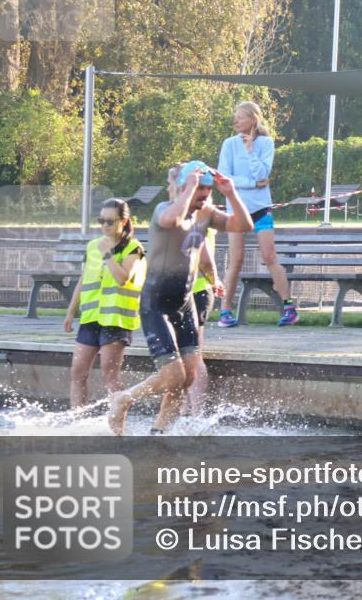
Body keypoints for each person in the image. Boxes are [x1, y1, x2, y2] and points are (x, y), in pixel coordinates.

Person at [107, 161, 253, 435]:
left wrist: (231, 193)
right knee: (173, 375)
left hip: (185, 303)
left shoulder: (206, 213)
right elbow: (171, 221)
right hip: (156, 304)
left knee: (188, 377)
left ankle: (158, 434)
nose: (204, 196)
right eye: (201, 190)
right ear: (187, 185)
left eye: (208, 191)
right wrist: (190, 189)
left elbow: (243, 225)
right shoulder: (165, 209)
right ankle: (123, 399)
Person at [216, 101, 297, 328]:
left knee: (270, 256)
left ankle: (289, 308)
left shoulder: (266, 143)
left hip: (261, 209)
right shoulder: (229, 144)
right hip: (236, 210)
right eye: (236, 117)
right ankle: (226, 312)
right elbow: (224, 178)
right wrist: (252, 184)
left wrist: (251, 150)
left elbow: (263, 172)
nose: (236, 121)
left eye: (240, 117)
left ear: (253, 119)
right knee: (236, 259)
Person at [63, 198, 146, 409]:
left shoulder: (134, 248)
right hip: (91, 317)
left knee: (110, 377)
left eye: (110, 221)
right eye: (101, 221)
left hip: (116, 320)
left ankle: (118, 423)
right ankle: (77, 421)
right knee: (77, 372)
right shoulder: (92, 247)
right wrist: (71, 311)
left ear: (124, 221)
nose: (104, 226)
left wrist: (108, 253)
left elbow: (123, 278)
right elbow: (83, 280)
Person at [184, 228, 223, 415]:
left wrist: (215, 282)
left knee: (193, 354)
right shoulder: (188, 219)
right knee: (182, 354)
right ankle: (184, 408)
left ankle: (197, 412)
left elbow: (206, 260)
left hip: (196, 291)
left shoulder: (197, 222)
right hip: (184, 292)